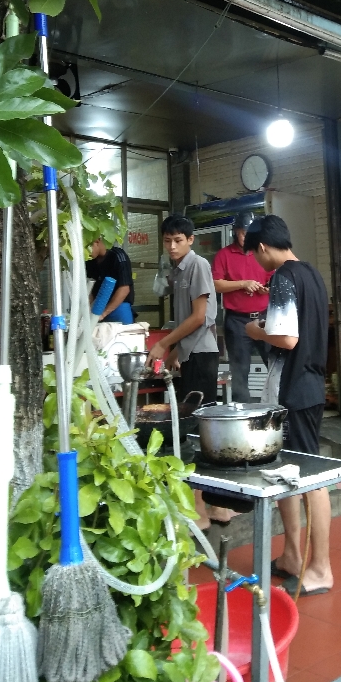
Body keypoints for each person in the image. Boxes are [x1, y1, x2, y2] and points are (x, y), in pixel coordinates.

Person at [244, 214, 333, 597]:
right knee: (287, 474)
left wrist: (255, 330)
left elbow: (287, 338)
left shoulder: (282, 276)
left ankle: (321, 569)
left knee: (310, 478)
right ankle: (292, 557)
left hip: (294, 390)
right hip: (308, 385)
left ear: (263, 247)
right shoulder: (312, 274)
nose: (257, 262)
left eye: (255, 254)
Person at [146, 214, 233, 529]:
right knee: (196, 429)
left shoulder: (198, 265)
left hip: (202, 355)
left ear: (190, 240)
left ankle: (207, 508)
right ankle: (213, 506)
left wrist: (164, 344)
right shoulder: (178, 269)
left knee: (198, 431)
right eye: (167, 241)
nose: (172, 246)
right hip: (191, 354)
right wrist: (173, 355)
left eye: (178, 240)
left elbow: (199, 318)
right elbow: (187, 321)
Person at [212, 210, 270, 403]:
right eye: (244, 233)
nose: (247, 237)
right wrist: (243, 284)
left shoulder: (263, 252)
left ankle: (279, 409)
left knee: (276, 364)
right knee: (239, 371)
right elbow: (216, 284)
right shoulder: (224, 255)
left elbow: (273, 279)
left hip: (264, 317)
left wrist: (266, 288)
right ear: (235, 232)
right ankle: (243, 414)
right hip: (237, 321)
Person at [86, 237, 134, 324]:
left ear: (97, 241)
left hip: (119, 308)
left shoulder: (118, 256)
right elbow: (91, 288)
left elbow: (124, 289)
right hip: (98, 308)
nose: (86, 252)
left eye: (87, 248)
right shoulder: (90, 261)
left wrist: (104, 313)